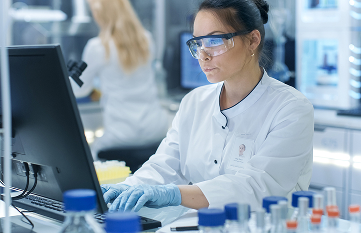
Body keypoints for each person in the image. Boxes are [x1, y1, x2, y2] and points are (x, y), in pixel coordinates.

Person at [101, 0, 314, 212]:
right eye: (198, 43)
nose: (203, 55)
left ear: (252, 40)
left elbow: (258, 186)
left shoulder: (291, 109)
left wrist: (174, 194)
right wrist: (124, 189)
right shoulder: (194, 102)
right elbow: (164, 166)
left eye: (214, 41)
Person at [72, 0, 169, 160]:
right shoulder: (147, 39)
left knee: (88, 157)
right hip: (155, 129)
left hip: (120, 136)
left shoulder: (97, 47)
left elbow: (79, 89)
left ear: (101, 13)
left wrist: (73, 72)